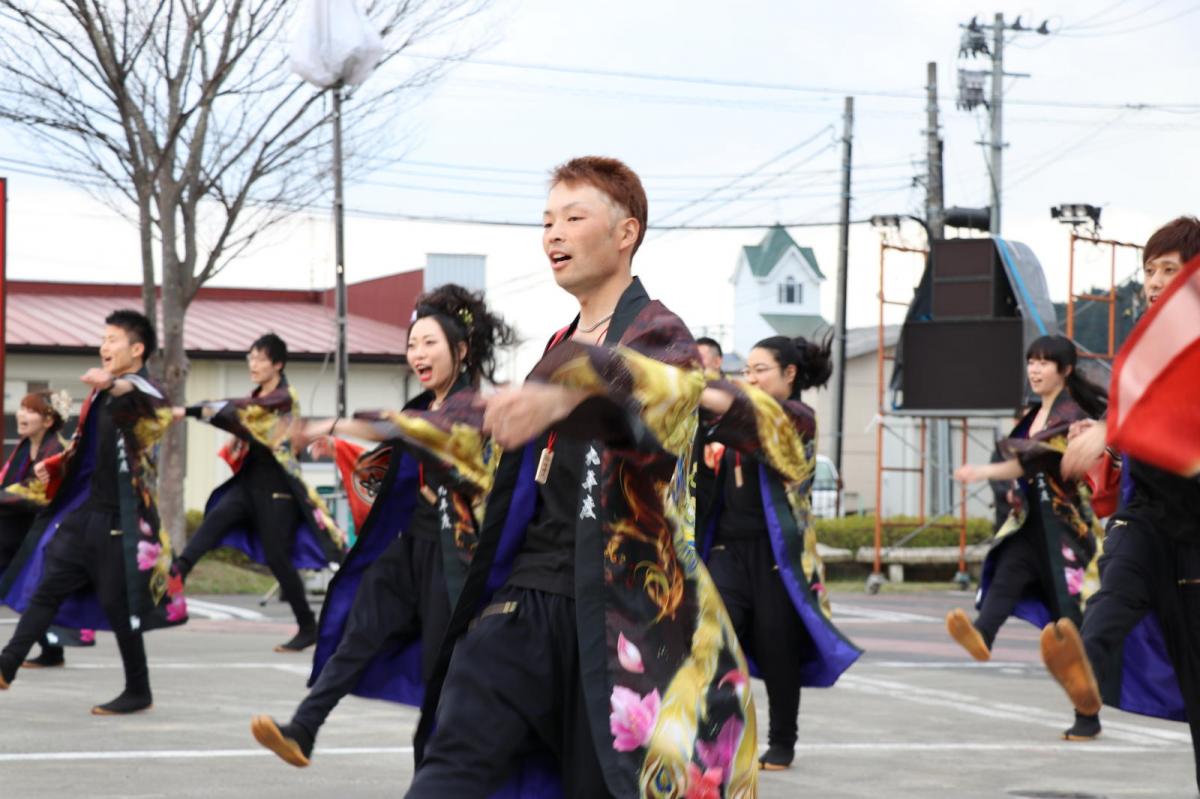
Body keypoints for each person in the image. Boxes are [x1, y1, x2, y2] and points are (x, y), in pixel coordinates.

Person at [403, 157, 763, 798]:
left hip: (614, 611)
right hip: (527, 598)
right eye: (547, 221)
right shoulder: (559, 344)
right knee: (449, 765)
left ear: (625, 233)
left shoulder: (659, 333)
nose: (554, 235)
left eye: (573, 218)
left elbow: (656, 397)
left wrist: (573, 393)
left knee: (600, 784)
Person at [250, 284, 515, 768]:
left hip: (453, 559)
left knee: (442, 683)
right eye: (412, 344)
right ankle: (304, 728)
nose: (417, 354)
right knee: (357, 636)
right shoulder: (422, 406)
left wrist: (327, 426)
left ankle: (436, 778)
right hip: (409, 548)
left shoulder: (472, 409)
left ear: (461, 350)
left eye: (429, 343)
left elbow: (400, 429)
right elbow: (395, 456)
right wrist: (345, 448)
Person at [1044, 216, 1200, 785]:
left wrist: (1110, 428)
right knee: (1118, 584)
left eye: (1168, 269)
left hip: (1195, 529)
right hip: (1145, 514)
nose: (1155, 282)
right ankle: (1083, 667)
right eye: (1149, 271)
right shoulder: (1142, 349)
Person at [0, 310, 186, 714]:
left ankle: (139, 691)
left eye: (113, 339)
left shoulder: (142, 393)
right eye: (103, 339)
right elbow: (89, 451)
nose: (104, 346)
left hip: (121, 516)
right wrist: (58, 464)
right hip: (86, 511)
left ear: (136, 350)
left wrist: (115, 384)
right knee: (46, 588)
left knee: (119, 607)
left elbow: (155, 407)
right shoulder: (101, 394)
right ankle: (6, 666)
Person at [694, 333, 862, 770]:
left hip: (776, 555)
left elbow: (750, 416)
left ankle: (782, 741)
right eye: (746, 370)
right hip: (728, 549)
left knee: (777, 650)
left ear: (790, 374)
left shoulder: (797, 418)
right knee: (714, 642)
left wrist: (705, 386)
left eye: (759, 370)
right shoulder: (741, 413)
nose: (749, 378)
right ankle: (714, 738)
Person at [947, 334, 1107, 737]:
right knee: (1007, 575)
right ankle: (983, 634)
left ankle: (1087, 715)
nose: (1034, 369)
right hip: (1030, 523)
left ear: (1065, 370)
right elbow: (1023, 464)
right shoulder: (1034, 415)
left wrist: (986, 469)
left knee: (1068, 625)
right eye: (1031, 362)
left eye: (1044, 363)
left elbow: (1033, 457)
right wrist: (980, 472)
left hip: (1066, 532)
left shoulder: (1072, 415)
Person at [173, 333, 344, 652]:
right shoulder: (256, 398)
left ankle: (308, 626)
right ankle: (176, 574)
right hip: (248, 483)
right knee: (214, 521)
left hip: (278, 489)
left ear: (277, 364)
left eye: (260, 359)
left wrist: (193, 410)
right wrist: (196, 412)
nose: (253, 364)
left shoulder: (281, 398)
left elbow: (240, 412)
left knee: (279, 559)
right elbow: (235, 417)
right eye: (250, 358)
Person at [0, 390, 78, 668]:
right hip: (17, 530)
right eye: (21, 408)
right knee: (27, 592)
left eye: (30, 410)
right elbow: (8, 485)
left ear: (48, 420)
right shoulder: (25, 447)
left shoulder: (57, 451)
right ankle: (52, 649)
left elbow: (38, 493)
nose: (21, 415)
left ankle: (52, 649)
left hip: (44, 532)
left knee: (31, 592)